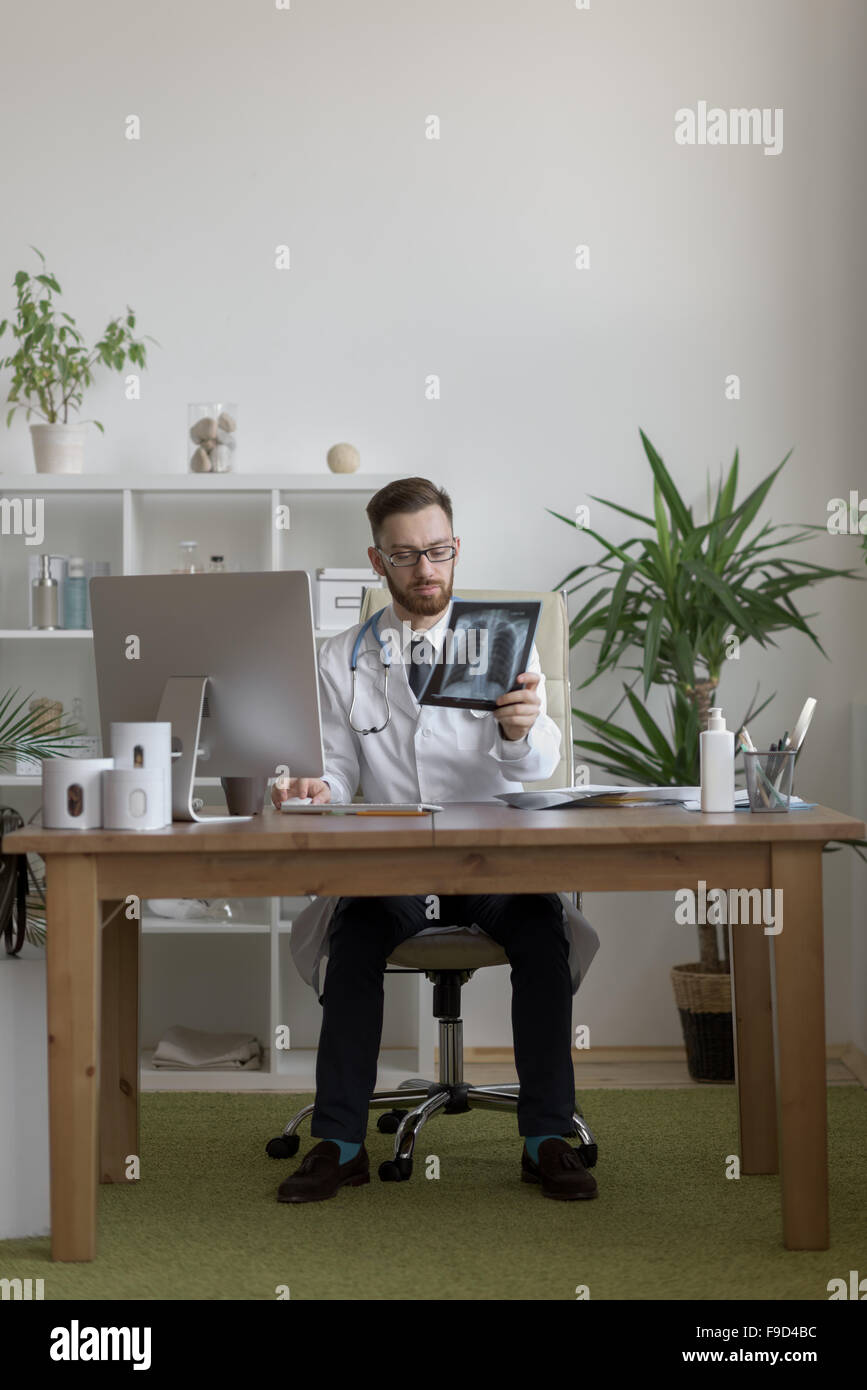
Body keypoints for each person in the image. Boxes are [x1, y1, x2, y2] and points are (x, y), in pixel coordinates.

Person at [273, 477, 600, 1203]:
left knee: (542, 935)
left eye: (439, 551)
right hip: (394, 865)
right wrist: (315, 788)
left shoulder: (505, 642)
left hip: (491, 858)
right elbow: (334, 768)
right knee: (355, 936)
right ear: (377, 560)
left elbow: (539, 765)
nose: (426, 569)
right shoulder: (339, 658)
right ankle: (340, 1142)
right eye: (407, 554)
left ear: (457, 551)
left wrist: (518, 728)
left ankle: (547, 1137)